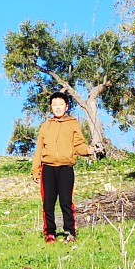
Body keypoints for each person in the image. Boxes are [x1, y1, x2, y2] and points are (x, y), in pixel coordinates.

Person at [31, 92, 94, 242]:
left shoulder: (73, 124)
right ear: (51, 107)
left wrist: (87, 151)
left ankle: (70, 232)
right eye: (54, 105)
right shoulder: (45, 127)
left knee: (66, 201)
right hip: (48, 168)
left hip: (66, 168)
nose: (57, 108)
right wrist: (35, 169)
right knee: (48, 202)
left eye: (60, 105)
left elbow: (79, 144)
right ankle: (50, 233)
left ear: (66, 106)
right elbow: (39, 149)